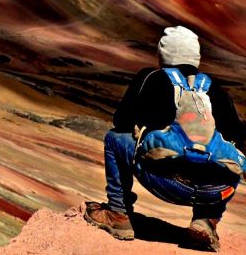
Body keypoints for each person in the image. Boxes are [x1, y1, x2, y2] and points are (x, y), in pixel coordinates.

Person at [85, 26, 246, 251]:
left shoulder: (151, 77)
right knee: (229, 159)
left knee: (114, 138)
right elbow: (239, 139)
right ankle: (205, 221)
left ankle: (118, 214)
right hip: (214, 191)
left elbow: (120, 121)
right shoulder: (217, 91)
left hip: (167, 182)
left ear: (164, 53)